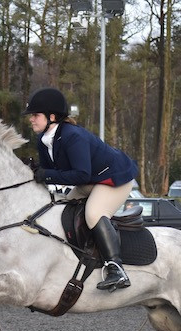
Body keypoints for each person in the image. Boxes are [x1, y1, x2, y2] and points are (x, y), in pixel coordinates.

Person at [24, 87, 139, 291]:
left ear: (52, 116)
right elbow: (50, 171)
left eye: (35, 115)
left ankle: (116, 268)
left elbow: (80, 174)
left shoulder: (72, 136)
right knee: (60, 210)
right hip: (90, 180)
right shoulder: (43, 140)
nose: (31, 119)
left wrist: (46, 174)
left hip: (114, 178)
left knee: (93, 214)